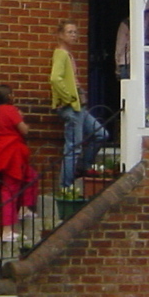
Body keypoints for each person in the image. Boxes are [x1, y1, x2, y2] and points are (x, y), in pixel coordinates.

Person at [51, 19, 107, 188]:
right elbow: (55, 78)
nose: (74, 35)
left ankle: (82, 167)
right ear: (60, 35)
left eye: (75, 32)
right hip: (72, 107)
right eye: (70, 32)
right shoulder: (60, 54)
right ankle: (65, 187)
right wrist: (69, 98)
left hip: (79, 107)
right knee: (73, 147)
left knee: (100, 134)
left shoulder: (68, 54)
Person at [0, 85, 37, 243]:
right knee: (10, 189)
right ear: (8, 96)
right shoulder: (10, 110)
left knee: (31, 176)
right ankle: (7, 230)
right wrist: (21, 118)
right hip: (12, 154)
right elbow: (24, 131)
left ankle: (24, 208)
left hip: (2, 152)